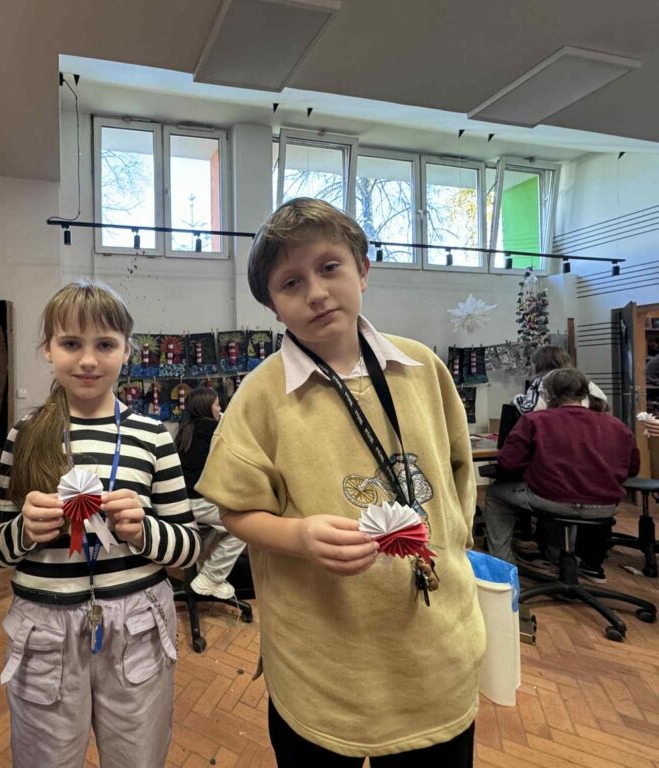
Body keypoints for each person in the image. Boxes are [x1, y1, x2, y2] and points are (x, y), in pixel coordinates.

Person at [195, 198, 485, 766]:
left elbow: (458, 477)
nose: (317, 293)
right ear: (273, 305)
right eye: (291, 283)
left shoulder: (423, 368)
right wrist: (298, 536)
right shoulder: (260, 396)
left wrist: (449, 550)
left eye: (330, 268)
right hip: (322, 670)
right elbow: (234, 511)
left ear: (363, 271)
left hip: (436, 657)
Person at [0, 280, 200, 768]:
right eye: (71, 344)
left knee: (137, 758)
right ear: (48, 349)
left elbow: (188, 548)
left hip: (136, 624)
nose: (88, 360)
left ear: (127, 350)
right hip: (44, 628)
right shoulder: (25, 434)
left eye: (104, 344)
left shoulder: (152, 437)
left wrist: (143, 530)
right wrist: (25, 530)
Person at [483, 368, 639, 583]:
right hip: (606, 506)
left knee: (496, 494)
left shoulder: (535, 420)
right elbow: (632, 469)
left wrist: (535, 466)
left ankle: (502, 567)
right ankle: (559, 559)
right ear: (585, 393)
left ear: (547, 394)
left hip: (552, 500)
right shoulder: (617, 426)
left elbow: (508, 463)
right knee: (556, 497)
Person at [175, 387, 247, 599]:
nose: (220, 408)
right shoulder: (212, 430)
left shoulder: (185, 430)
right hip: (200, 502)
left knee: (216, 528)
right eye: (216, 404)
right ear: (206, 407)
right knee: (244, 526)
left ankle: (202, 568)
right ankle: (211, 576)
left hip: (183, 502)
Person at [513, 345, 606, 413]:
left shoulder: (542, 381)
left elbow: (531, 409)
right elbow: (603, 404)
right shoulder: (586, 382)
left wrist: (517, 399)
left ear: (540, 364)